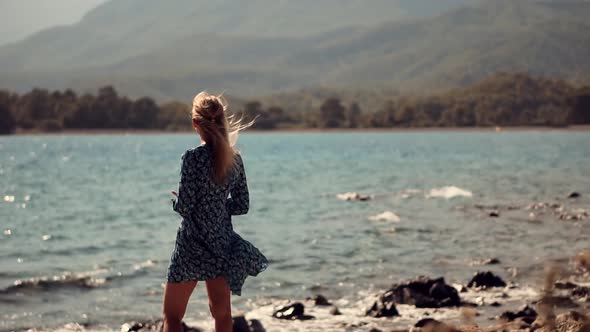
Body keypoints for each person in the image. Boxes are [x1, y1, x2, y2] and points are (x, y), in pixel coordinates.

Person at [163, 92, 268, 332]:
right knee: (222, 315)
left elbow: (186, 207)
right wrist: (218, 208)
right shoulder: (235, 159)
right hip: (221, 242)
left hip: (191, 245)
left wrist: (176, 202)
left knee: (172, 316)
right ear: (222, 121)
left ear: (195, 123)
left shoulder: (192, 158)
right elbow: (242, 206)